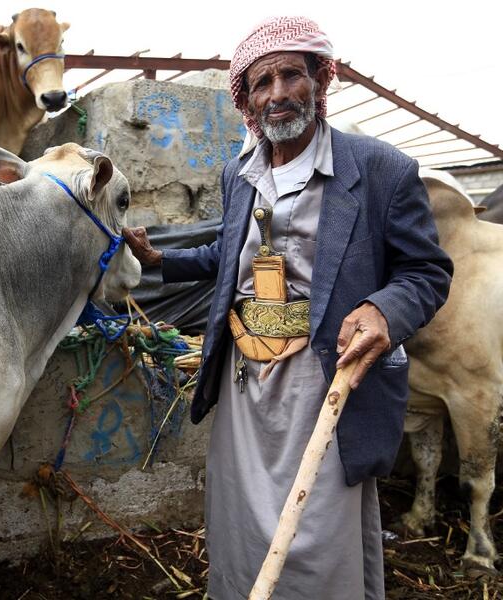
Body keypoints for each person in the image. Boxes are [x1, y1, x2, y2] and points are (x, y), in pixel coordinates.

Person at [123, 16, 453, 600]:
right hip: (244, 382)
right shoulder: (240, 174)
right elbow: (231, 255)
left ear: (319, 80)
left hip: (324, 379)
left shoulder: (380, 169)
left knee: (314, 529)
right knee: (241, 516)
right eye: (262, 83)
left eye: (291, 75)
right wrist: (160, 261)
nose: (277, 94)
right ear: (248, 100)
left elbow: (426, 272)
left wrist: (383, 310)